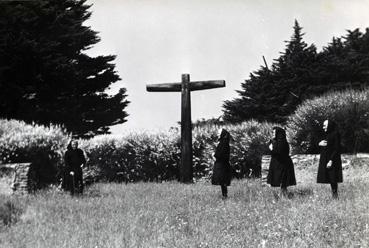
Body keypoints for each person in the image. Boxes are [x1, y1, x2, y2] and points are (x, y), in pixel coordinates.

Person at [267, 127, 296, 197]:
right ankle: (284, 196)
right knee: (281, 182)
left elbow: (279, 153)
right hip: (279, 164)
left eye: (274, 132)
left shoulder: (282, 142)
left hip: (283, 165)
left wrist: (271, 149)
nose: (273, 134)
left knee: (283, 181)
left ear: (278, 133)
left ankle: (284, 196)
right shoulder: (275, 141)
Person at [317, 119, 343, 199]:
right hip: (326, 159)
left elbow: (337, 148)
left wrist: (331, 160)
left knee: (333, 178)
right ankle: (334, 196)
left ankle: (335, 196)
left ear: (329, 125)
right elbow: (319, 143)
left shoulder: (335, 134)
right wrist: (319, 143)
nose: (323, 127)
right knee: (330, 178)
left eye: (325, 125)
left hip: (332, 159)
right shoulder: (326, 134)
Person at [211, 129, 232, 199]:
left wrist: (214, 155)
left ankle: (225, 195)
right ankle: (224, 195)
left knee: (223, 181)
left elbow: (219, 154)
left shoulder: (223, 143)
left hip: (222, 164)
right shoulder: (226, 143)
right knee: (223, 181)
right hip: (224, 164)